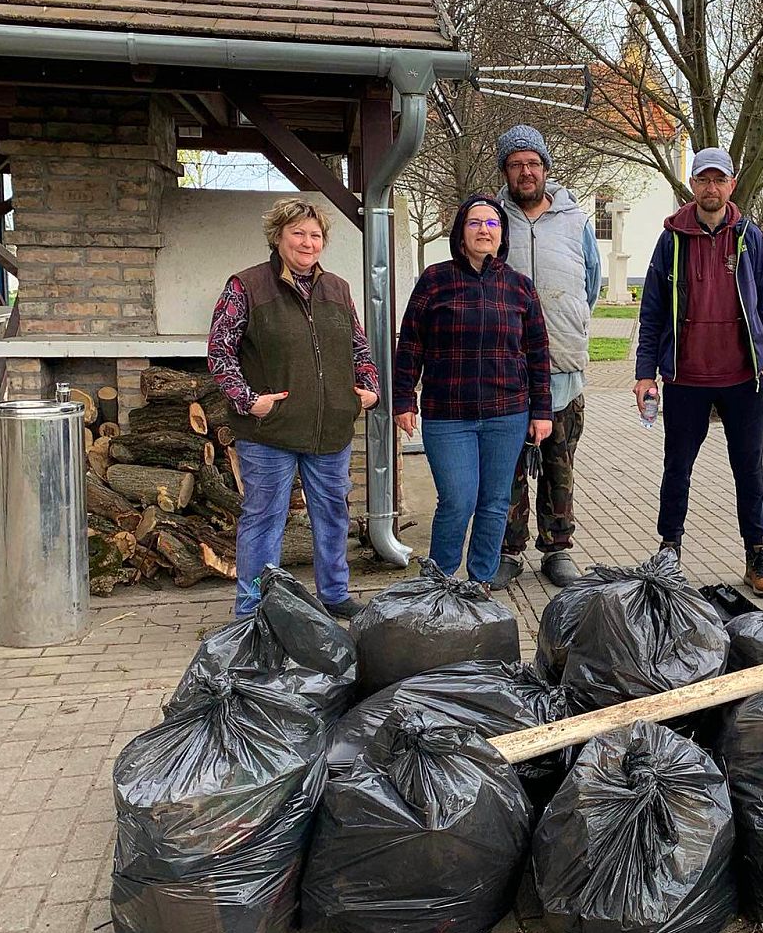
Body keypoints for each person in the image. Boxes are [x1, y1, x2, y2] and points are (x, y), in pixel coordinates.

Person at [208, 197, 380, 618]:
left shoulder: (337, 288)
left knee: (333, 516)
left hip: (330, 429)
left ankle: (335, 594)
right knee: (264, 520)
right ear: (278, 237)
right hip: (271, 432)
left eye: (315, 235)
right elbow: (219, 351)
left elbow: (358, 345)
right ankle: (252, 608)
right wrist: (249, 402)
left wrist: (369, 386)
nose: (307, 242)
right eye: (298, 233)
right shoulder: (245, 286)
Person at [633, 147, 763, 597]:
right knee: (676, 468)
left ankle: (756, 555)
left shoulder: (749, 237)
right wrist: (645, 374)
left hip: (742, 378)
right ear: (692, 185)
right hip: (685, 378)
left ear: (731, 185)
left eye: (719, 180)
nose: (711, 188)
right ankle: (669, 551)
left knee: (749, 470)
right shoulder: (671, 239)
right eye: (703, 180)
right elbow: (652, 311)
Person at [393, 195, 553, 588]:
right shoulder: (435, 280)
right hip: (448, 415)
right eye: (475, 223)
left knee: (495, 503)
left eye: (493, 224)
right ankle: (441, 581)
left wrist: (542, 411)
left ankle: (480, 580)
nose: (485, 230)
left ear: (502, 236)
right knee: (458, 500)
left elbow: (537, 353)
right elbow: (411, 344)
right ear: (461, 235)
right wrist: (402, 399)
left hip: (507, 412)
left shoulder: (520, 288)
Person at [490, 125, 602, 590]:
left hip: (563, 367)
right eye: (515, 164)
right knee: (509, 465)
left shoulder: (576, 221)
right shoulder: (492, 219)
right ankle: (508, 549)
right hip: (508, 370)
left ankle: (557, 549)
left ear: (546, 168)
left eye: (533, 163)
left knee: (560, 462)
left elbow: (591, 283)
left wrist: (568, 319)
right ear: (505, 172)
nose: (525, 172)